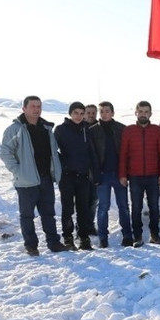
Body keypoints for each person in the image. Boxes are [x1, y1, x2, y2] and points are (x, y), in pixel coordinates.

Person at [0, 96, 70, 256]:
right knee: (27, 215)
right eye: (32, 106)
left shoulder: (46, 128)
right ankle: (31, 245)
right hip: (26, 181)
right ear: (24, 108)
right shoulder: (15, 129)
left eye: (39, 106)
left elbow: (52, 152)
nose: (36, 109)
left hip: (45, 178)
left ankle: (53, 243)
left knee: (49, 214)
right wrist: (19, 172)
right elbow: (5, 152)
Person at [119, 101, 160, 247]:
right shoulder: (129, 130)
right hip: (135, 176)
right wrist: (123, 175)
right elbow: (123, 154)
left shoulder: (157, 130)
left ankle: (154, 234)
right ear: (136, 113)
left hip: (153, 175)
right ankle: (137, 236)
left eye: (146, 112)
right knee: (136, 207)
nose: (143, 114)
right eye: (141, 111)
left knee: (154, 206)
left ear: (150, 114)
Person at [90, 101, 134, 248]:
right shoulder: (93, 131)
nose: (104, 114)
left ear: (113, 113)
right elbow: (92, 156)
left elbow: (127, 152)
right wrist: (95, 175)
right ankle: (103, 237)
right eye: (101, 111)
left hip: (119, 173)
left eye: (107, 111)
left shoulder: (121, 129)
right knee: (103, 207)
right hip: (102, 175)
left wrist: (126, 173)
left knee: (123, 206)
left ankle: (127, 235)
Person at [54, 101, 98, 250]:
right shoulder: (61, 130)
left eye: (81, 113)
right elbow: (54, 151)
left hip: (83, 176)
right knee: (67, 208)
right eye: (76, 113)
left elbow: (92, 153)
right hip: (67, 176)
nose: (79, 116)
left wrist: (94, 173)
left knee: (83, 208)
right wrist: (63, 163)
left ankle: (84, 237)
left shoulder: (87, 129)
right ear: (70, 113)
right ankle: (67, 237)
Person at [83, 104, 99, 237]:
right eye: (88, 112)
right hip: (80, 170)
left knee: (93, 200)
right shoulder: (79, 127)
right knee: (81, 201)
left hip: (95, 170)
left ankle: (90, 224)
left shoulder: (99, 128)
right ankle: (80, 226)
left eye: (93, 113)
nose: (91, 115)